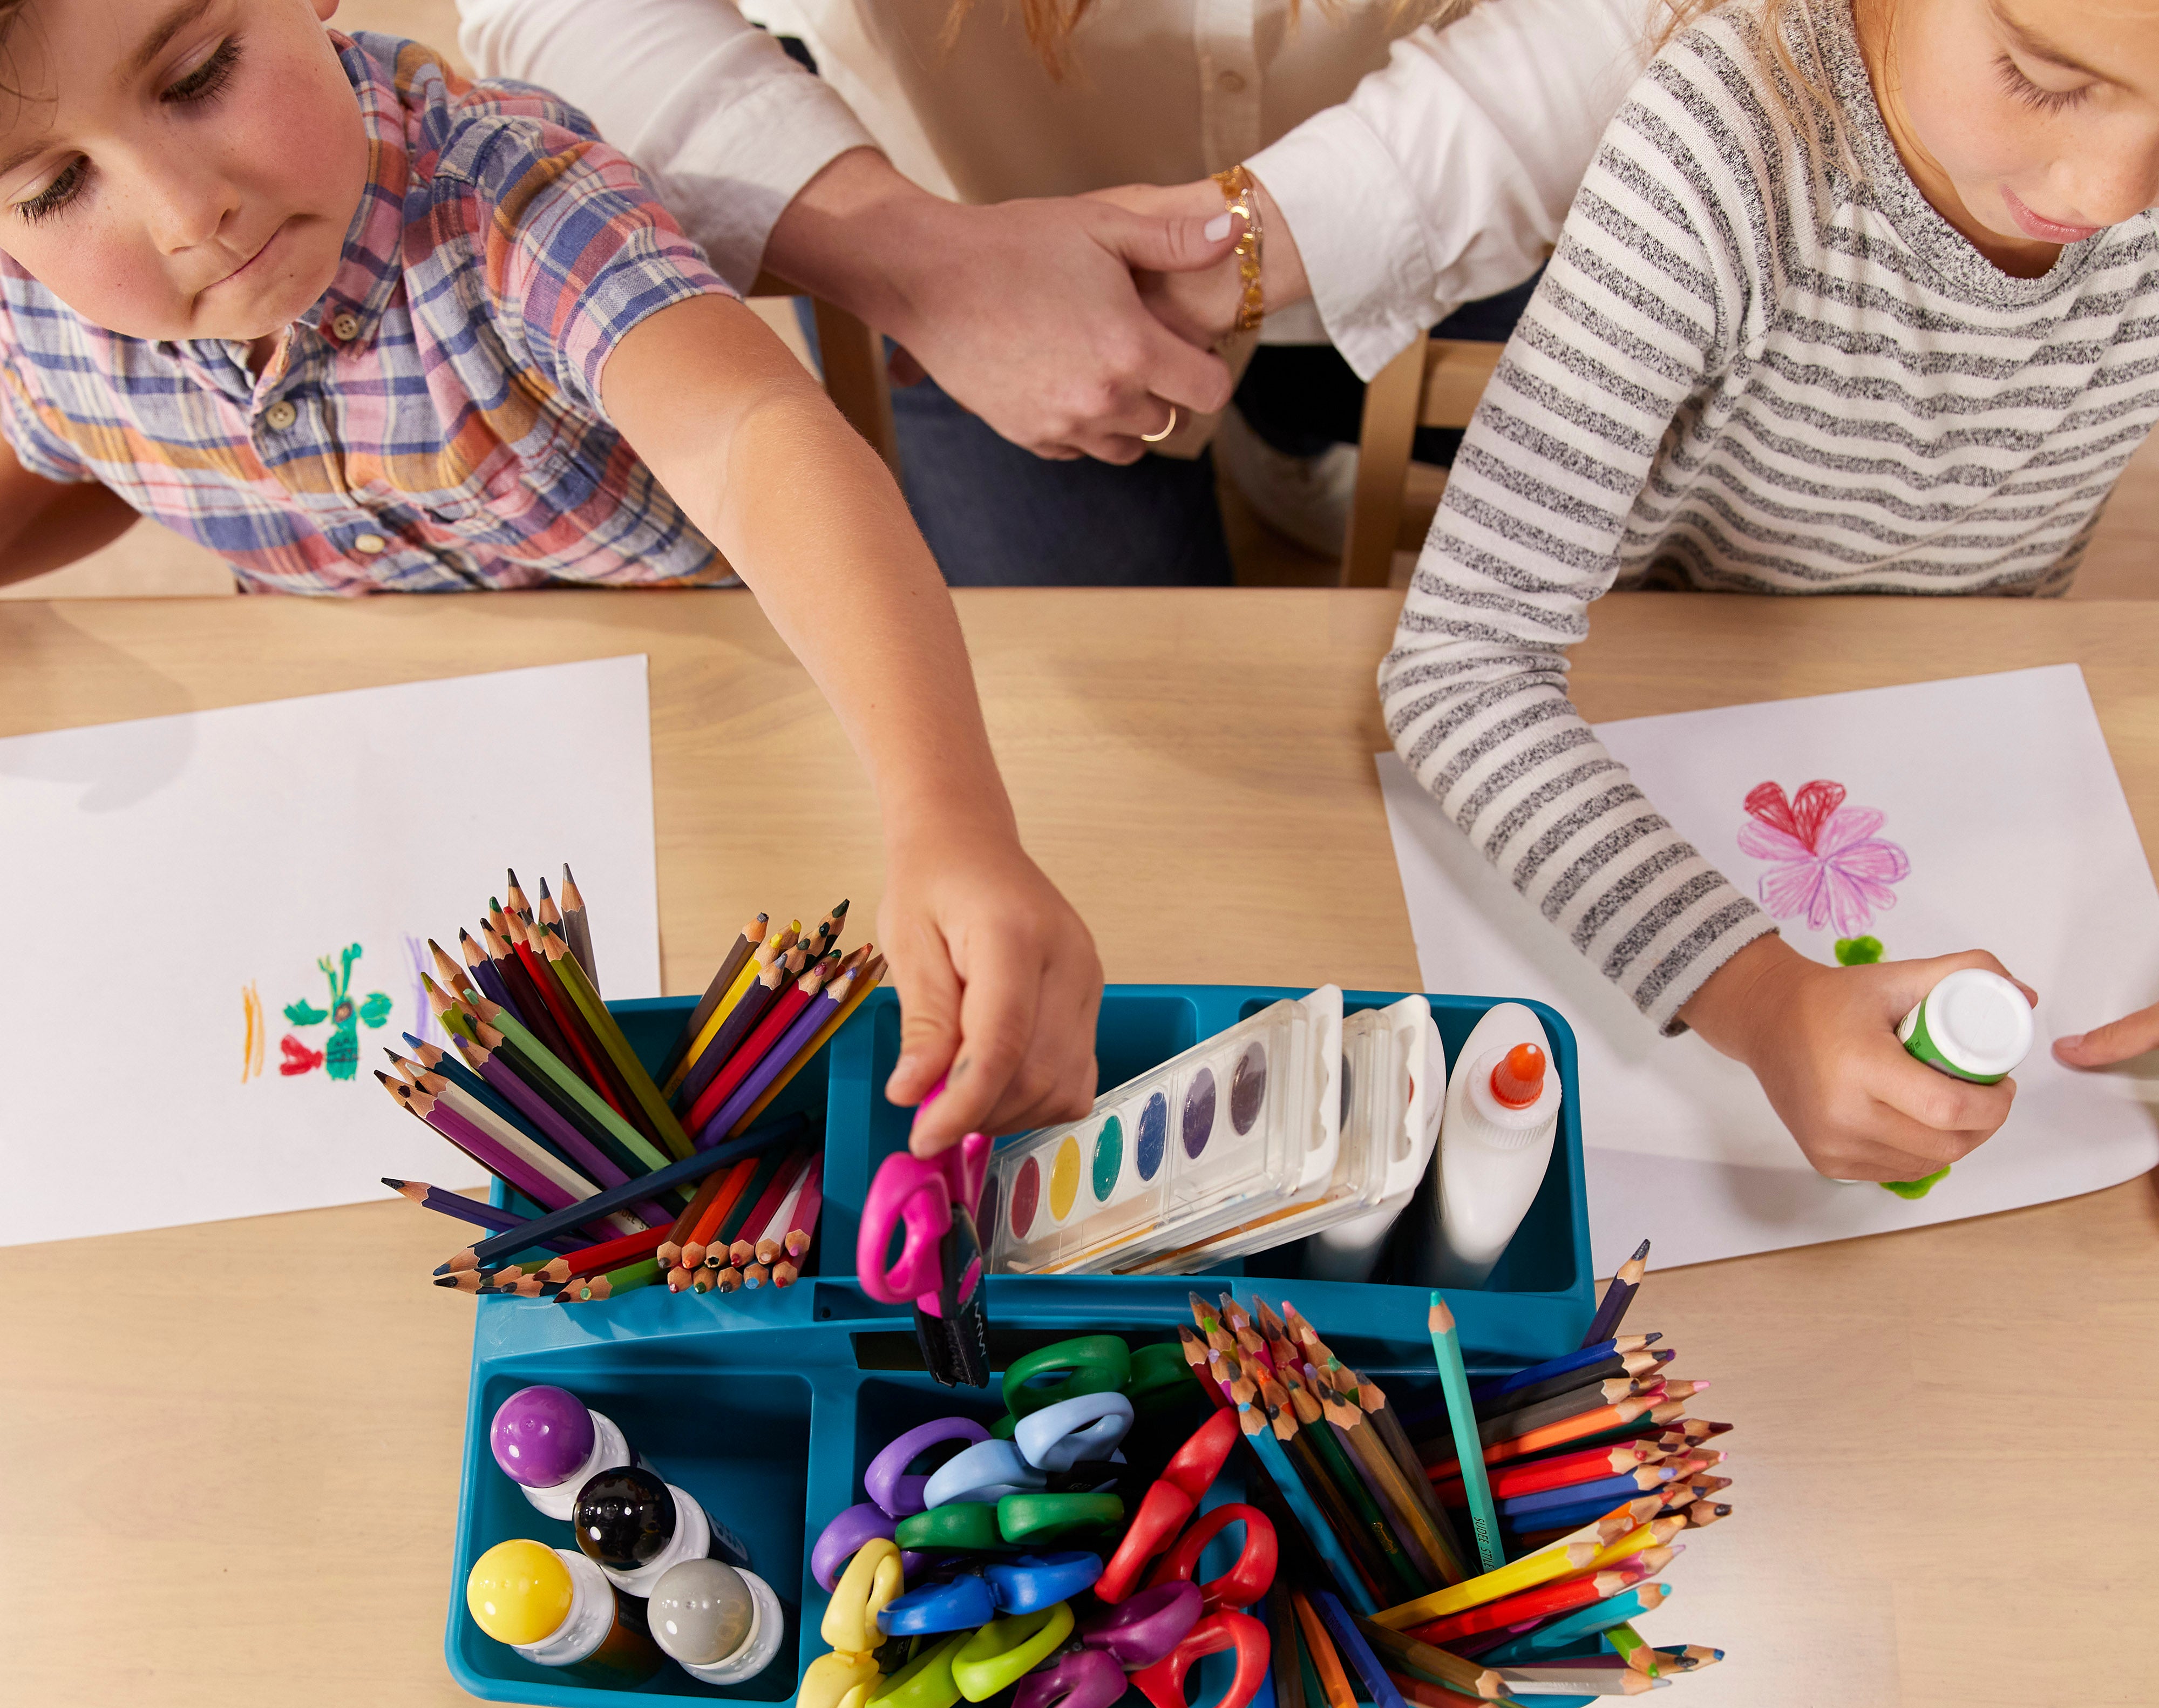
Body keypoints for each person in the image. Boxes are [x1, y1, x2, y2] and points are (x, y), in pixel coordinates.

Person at [0, 0, 1101, 1156]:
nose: (187, 216)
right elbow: (74, 451)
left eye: (199, 75)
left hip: (721, 768)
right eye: (52, 187)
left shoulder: (510, 202)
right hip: (377, 823)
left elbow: (750, 441)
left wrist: (947, 817)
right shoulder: (39, 311)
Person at [1376, 0, 2159, 1187]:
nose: (2110, 195)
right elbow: (1458, 667)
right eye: (2040, 78)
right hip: (1666, 694)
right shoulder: (1722, 147)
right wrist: (1753, 992)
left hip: (1968, 709)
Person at [459, 0, 1658, 581]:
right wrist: (915, 260)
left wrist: (1271, 238)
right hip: (974, 248)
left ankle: (1285, 436)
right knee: (1101, 719)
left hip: (1453, 170)